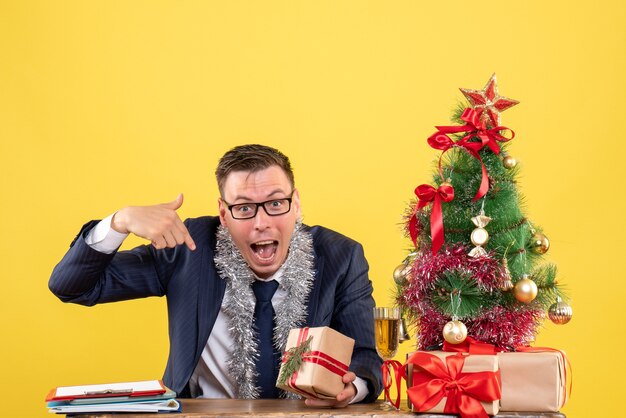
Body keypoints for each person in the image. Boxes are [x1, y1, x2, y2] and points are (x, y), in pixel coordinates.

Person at [49, 144, 382, 407]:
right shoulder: (187, 247)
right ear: (223, 213)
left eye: (275, 203)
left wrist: (352, 388)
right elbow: (73, 287)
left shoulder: (341, 256)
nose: (261, 222)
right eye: (244, 208)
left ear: (296, 203)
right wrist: (117, 222)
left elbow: (366, 357)